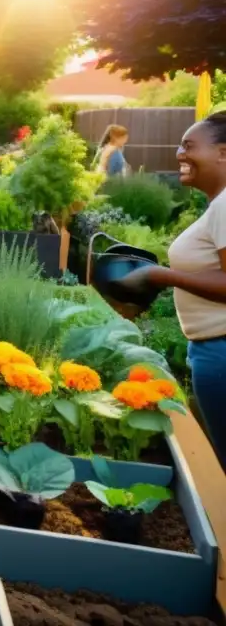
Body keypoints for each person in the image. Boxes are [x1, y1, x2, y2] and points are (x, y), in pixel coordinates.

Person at [119, 112, 226, 469]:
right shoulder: (218, 205)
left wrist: (158, 275)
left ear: (223, 153)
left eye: (189, 145)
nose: (180, 153)